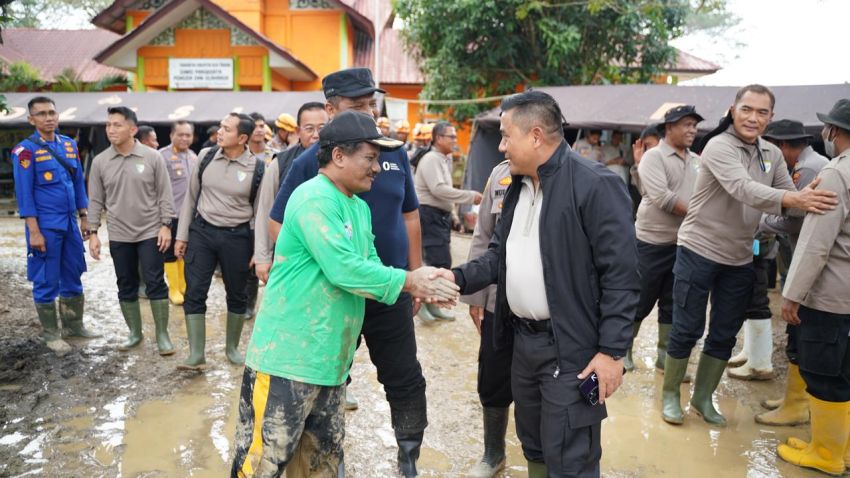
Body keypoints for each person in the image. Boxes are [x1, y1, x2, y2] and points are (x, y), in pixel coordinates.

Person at [231, 111, 459, 478]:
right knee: (260, 467)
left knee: (319, 466)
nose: (377, 168)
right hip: (287, 362)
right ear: (338, 156)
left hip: (328, 366)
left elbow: (370, 267)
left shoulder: (357, 207)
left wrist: (428, 281)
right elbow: (344, 269)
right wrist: (411, 281)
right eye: (370, 158)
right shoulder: (313, 199)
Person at [450, 91, 639, 477]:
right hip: (523, 344)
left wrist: (611, 353)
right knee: (533, 443)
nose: (501, 146)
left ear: (535, 135)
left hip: (571, 349)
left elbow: (621, 277)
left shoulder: (594, 185)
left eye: (506, 136)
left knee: (571, 455)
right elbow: (498, 256)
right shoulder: (517, 185)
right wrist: (455, 278)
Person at [267, 68, 427, 477]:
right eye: (358, 105)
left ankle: (408, 457)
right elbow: (278, 223)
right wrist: (318, 270)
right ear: (331, 109)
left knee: (405, 376)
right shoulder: (311, 163)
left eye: (372, 104)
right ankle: (324, 460)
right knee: (329, 378)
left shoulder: (393, 154)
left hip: (389, 287)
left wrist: (415, 273)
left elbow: (410, 215)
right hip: (334, 296)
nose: (369, 112)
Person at [661, 85, 838, 427]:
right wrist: (794, 200)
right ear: (733, 110)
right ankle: (670, 396)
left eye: (762, 112)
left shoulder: (771, 153)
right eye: (747, 109)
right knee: (687, 326)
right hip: (698, 249)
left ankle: (702, 398)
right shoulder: (719, 146)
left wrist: (814, 198)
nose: (753, 118)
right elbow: (743, 188)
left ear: (770, 117)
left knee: (725, 332)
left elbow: (789, 199)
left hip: (740, 257)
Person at [777, 98, 850, 476]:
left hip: (831, 296)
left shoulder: (838, 173)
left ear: (833, 131)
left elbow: (816, 243)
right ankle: (840, 448)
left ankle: (825, 454)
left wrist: (792, 294)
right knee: (846, 372)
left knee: (825, 374)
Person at [174, 113, 263, 369]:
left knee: (237, 293)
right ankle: (196, 355)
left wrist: (259, 251)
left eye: (226, 129)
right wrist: (182, 235)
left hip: (237, 237)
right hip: (202, 233)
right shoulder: (206, 156)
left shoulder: (257, 168)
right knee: (194, 291)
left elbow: (260, 212)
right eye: (221, 127)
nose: (220, 132)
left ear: (242, 138)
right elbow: (191, 198)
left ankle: (232, 349)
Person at [754, 119, 829, 426]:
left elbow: (796, 218)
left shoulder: (807, 170)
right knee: (798, 332)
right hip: (801, 254)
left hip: (809, 260)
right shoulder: (811, 163)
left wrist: (761, 221)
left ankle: (797, 405)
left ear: (783, 145)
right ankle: (794, 399)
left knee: (800, 330)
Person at [87, 106, 176, 355]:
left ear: (133, 129)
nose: (111, 129)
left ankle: (162, 335)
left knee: (155, 282)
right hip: (118, 232)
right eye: (108, 125)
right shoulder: (100, 162)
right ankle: (135, 333)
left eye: (117, 125)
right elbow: (95, 200)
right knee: (125, 283)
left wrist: (166, 225)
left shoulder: (152, 157)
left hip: (150, 231)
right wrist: (93, 233)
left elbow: (165, 194)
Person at [12, 96, 95, 355]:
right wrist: (34, 232)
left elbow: (78, 183)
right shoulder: (25, 151)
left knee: (73, 272)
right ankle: (51, 335)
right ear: (31, 119)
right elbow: (24, 194)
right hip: (45, 224)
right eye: (42, 114)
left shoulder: (69, 145)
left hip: (70, 221)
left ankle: (74, 326)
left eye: (51, 112)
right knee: (46, 278)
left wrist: (84, 216)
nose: (48, 118)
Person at [629, 105, 703, 374]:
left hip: (683, 243)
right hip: (651, 242)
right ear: (669, 128)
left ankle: (664, 356)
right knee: (640, 298)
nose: (692, 130)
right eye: (686, 125)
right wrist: (701, 215)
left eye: (694, 125)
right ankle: (622, 349)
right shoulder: (654, 157)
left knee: (673, 302)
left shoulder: (696, 160)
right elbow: (663, 198)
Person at [460, 159, 513, 478]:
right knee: (493, 377)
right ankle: (494, 452)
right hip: (497, 300)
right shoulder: (500, 174)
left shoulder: (569, 176)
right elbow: (483, 234)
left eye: (508, 137)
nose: (503, 146)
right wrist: (476, 297)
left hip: (545, 308)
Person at [413, 121, 482, 322]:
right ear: (438, 138)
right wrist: (470, 196)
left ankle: (433, 305)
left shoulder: (444, 159)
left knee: (441, 261)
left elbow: (445, 192)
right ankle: (422, 304)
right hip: (429, 215)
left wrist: (453, 216)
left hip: (439, 216)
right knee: (434, 261)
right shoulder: (432, 159)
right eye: (451, 136)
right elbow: (438, 190)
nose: (454, 140)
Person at [254, 102, 327, 284]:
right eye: (309, 129)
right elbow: (265, 210)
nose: (316, 135)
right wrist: (263, 258)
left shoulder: (340, 159)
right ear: (297, 131)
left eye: (322, 128)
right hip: (290, 252)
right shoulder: (281, 163)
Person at [159, 120, 198, 306]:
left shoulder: (194, 156)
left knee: (185, 251)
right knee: (170, 253)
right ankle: (173, 288)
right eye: (180, 134)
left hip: (190, 215)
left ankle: (183, 284)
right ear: (171, 135)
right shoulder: (162, 156)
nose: (184, 138)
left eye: (188, 135)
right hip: (171, 214)